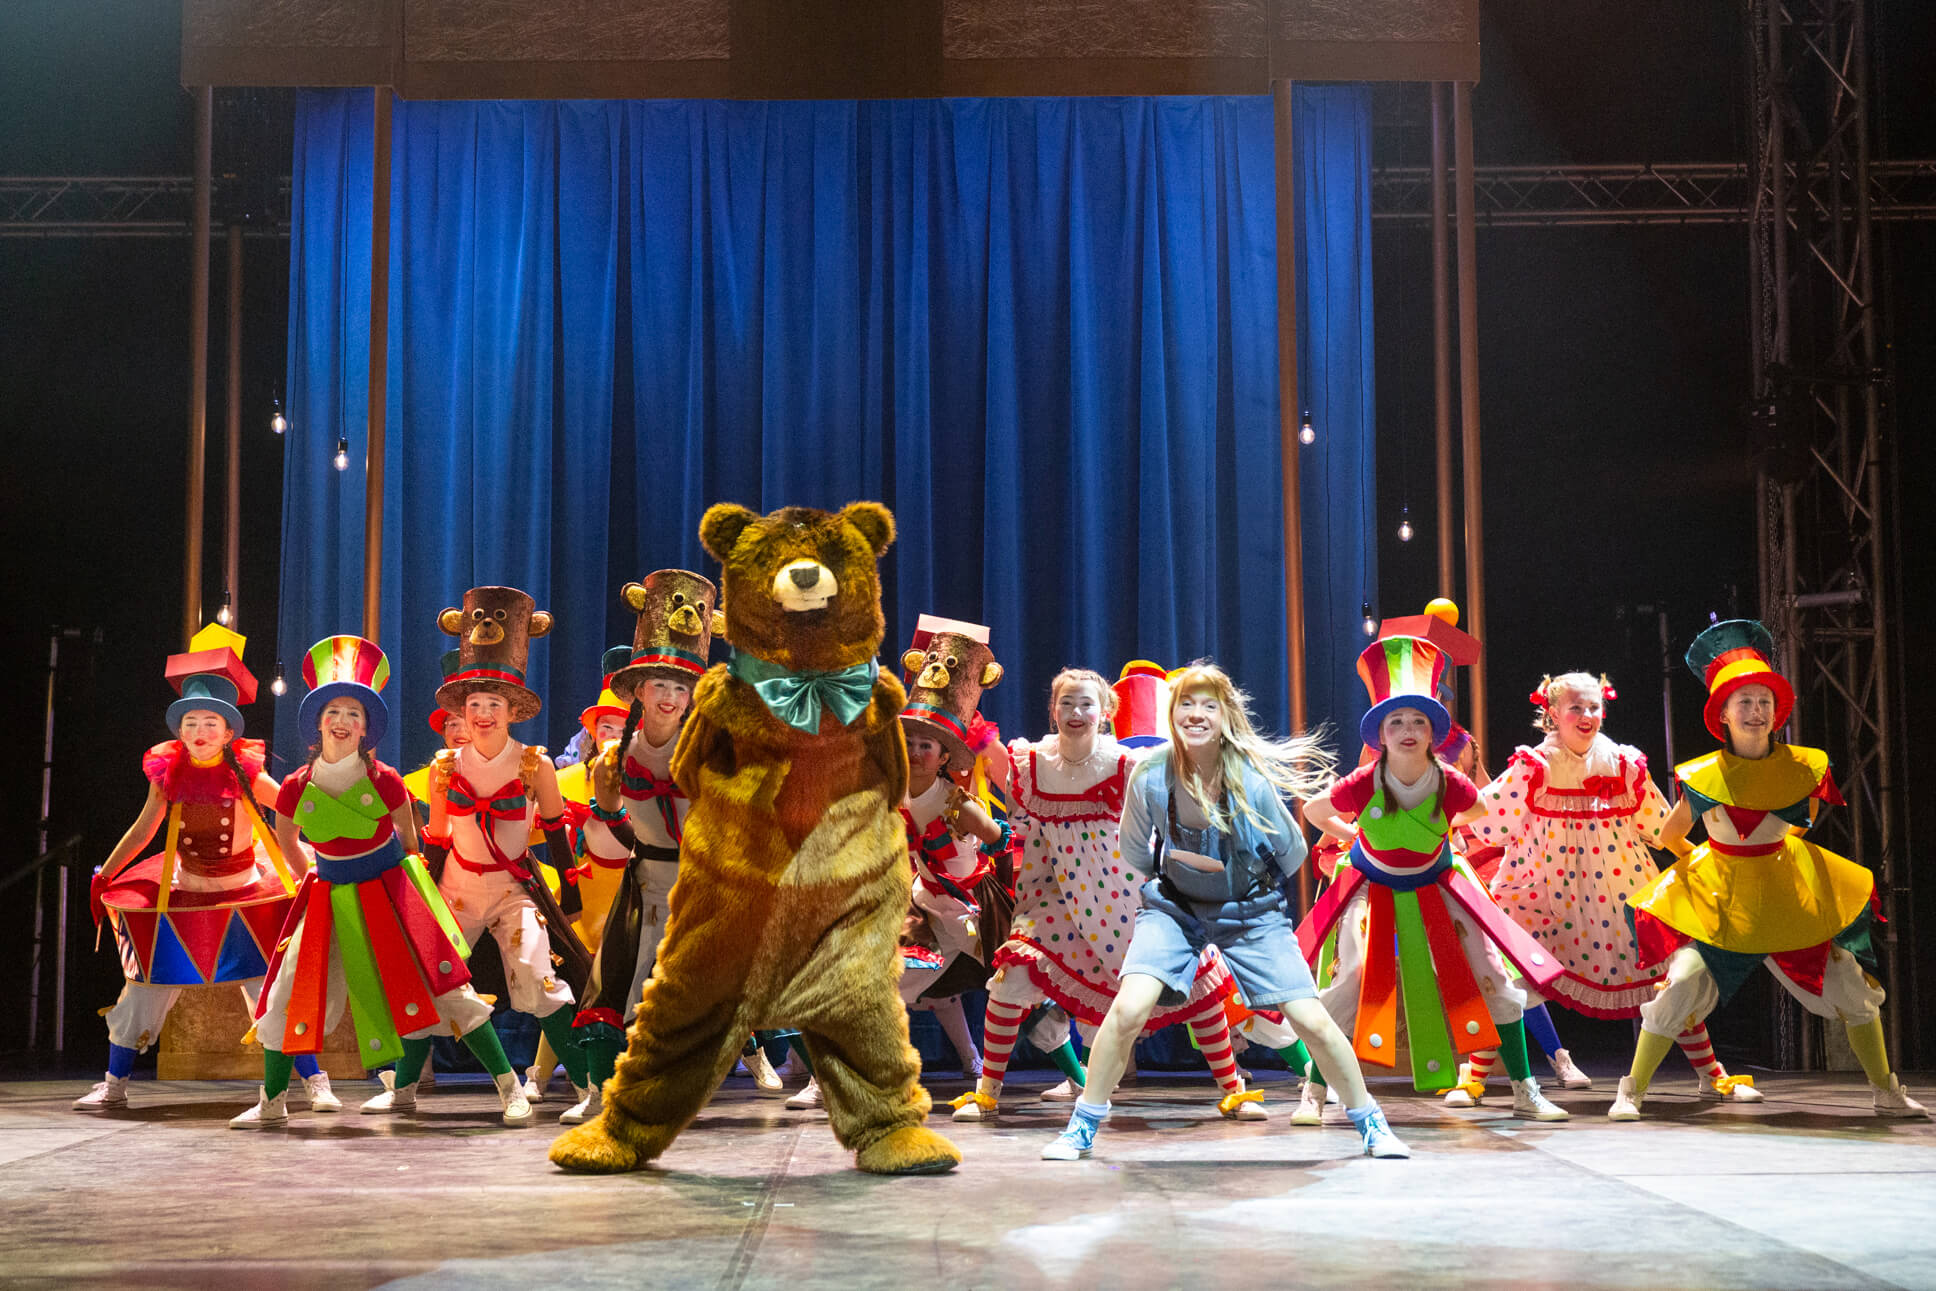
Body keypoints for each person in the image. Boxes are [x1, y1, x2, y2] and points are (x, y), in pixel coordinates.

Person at [1042, 664, 1408, 1160]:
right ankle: (1082, 1126)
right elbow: (1133, 852)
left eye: (1208, 705)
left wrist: (1241, 877)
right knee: (1128, 1009)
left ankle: (1371, 1123)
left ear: (1224, 715)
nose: (1196, 714)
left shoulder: (1247, 778)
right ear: (1172, 714)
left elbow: (1294, 853)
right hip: (1173, 908)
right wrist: (1178, 866)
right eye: (1186, 704)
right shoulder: (1151, 774)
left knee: (1312, 1020)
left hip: (1251, 911)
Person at [1613, 620, 1926, 1120]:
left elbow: (1804, 822)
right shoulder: (1703, 776)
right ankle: (1632, 1090)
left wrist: (1782, 857)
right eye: (1745, 703)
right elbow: (1670, 836)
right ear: (1724, 715)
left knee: (1850, 982)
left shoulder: (1804, 768)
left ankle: (1886, 1091)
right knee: (1680, 985)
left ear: (1776, 711)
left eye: (1764, 702)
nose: (1756, 712)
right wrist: (1706, 866)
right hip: (1723, 904)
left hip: (1787, 899)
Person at [234, 636, 526, 1127]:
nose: (343, 722)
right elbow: (286, 834)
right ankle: (273, 1101)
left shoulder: (385, 778)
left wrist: (402, 897)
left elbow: (408, 840)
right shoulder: (295, 785)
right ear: (318, 723)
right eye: (335, 712)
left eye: (354, 714)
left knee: (446, 989)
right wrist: (310, 873)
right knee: (287, 992)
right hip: (327, 897)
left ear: (366, 728)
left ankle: (509, 1087)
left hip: (389, 894)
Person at [1299, 632, 1571, 1121]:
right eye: (1396, 721)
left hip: (1440, 881)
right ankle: (1314, 1094)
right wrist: (1356, 834)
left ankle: (1526, 1090)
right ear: (1379, 734)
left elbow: (1480, 809)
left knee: (1492, 976)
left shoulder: (1449, 781)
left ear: (1433, 732)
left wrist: (1442, 832)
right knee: (1353, 978)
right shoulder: (1366, 780)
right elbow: (1315, 809)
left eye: (1418, 721)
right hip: (1372, 883)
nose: (1407, 729)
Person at [1448, 673, 1754, 1107]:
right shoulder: (1533, 766)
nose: (1587, 716)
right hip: (1543, 891)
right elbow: (1488, 819)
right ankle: (1478, 1077)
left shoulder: (1624, 764)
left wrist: (1714, 860)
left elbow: (1659, 827)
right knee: (1508, 980)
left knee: (1665, 980)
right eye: (1575, 707)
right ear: (1552, 713)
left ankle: (1711, 1074)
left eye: (1593, 707)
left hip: (1618, 892)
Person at [951, 669, 1239, 1123]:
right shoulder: (1034, 762)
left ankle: (1233, 1089)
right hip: (1058, 898)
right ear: (1053, 711)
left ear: (1104, 713)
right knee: (1011, 978)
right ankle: (987, 1091)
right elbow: (986, 756)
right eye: (1066, 704)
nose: (1075, 713)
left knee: (1192, 989)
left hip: (1120, 897)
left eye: (1086, 704)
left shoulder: (1125, 763)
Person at [79, 625, 324, 1112]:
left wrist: (337, 832)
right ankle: (115, 1083)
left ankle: (316, 1082)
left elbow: (292, 805)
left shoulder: (246, 769)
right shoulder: (167, 771)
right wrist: (106, 871)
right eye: (190, 722)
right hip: (184, 891)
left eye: (210, 723)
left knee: (272, 990)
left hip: (248, 890)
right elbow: (146, 826)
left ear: (229, 731)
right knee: (144, 990)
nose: (199, 732)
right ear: (179, 729)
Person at [376, 587, 592, 1116]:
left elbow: (556, 830)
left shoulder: (534, 765)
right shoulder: (445, 768)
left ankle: (587, 1089)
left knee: (537, 979)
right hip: (458, 890)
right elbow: (439, 838)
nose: (482, 714)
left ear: (512, 710)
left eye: (493, 704)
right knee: (430, 979)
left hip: (513, 890)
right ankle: (403, 1088)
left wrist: (570, 891)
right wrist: (426, 896)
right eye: (474, 705)